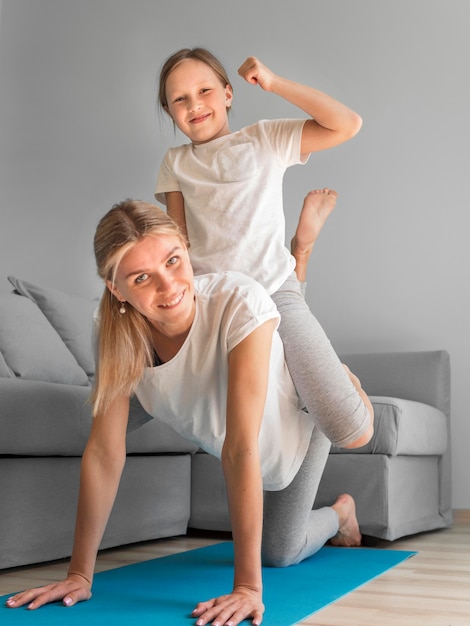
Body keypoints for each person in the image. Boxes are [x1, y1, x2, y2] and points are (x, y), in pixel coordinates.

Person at [6, 201, 373, 626]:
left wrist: (247, 589)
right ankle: (340, 512)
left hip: (294, 426)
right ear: (116, 289)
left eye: (173, 261)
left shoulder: (239, 302)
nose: (168, 287)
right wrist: (78, 574)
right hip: (222, 426)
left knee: (278, 556)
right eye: (142, 278)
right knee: (279, 549)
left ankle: (344, 401)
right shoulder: (111, 330)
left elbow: (240, 446)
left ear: (186, 248)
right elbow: (105, 452)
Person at [155, 48, 362, 444]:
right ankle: (302, 249)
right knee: (258, 427)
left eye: (205, 91)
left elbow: (347, 124)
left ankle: (301, 254)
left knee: (350, 431)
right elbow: (176, 243)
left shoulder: (264, 138)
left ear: (228, 94)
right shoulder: (175, 162)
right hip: (218, 306)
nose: (194, 105)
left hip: (275, 290)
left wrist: (274, 82)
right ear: (169, 110)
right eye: (179, 99)